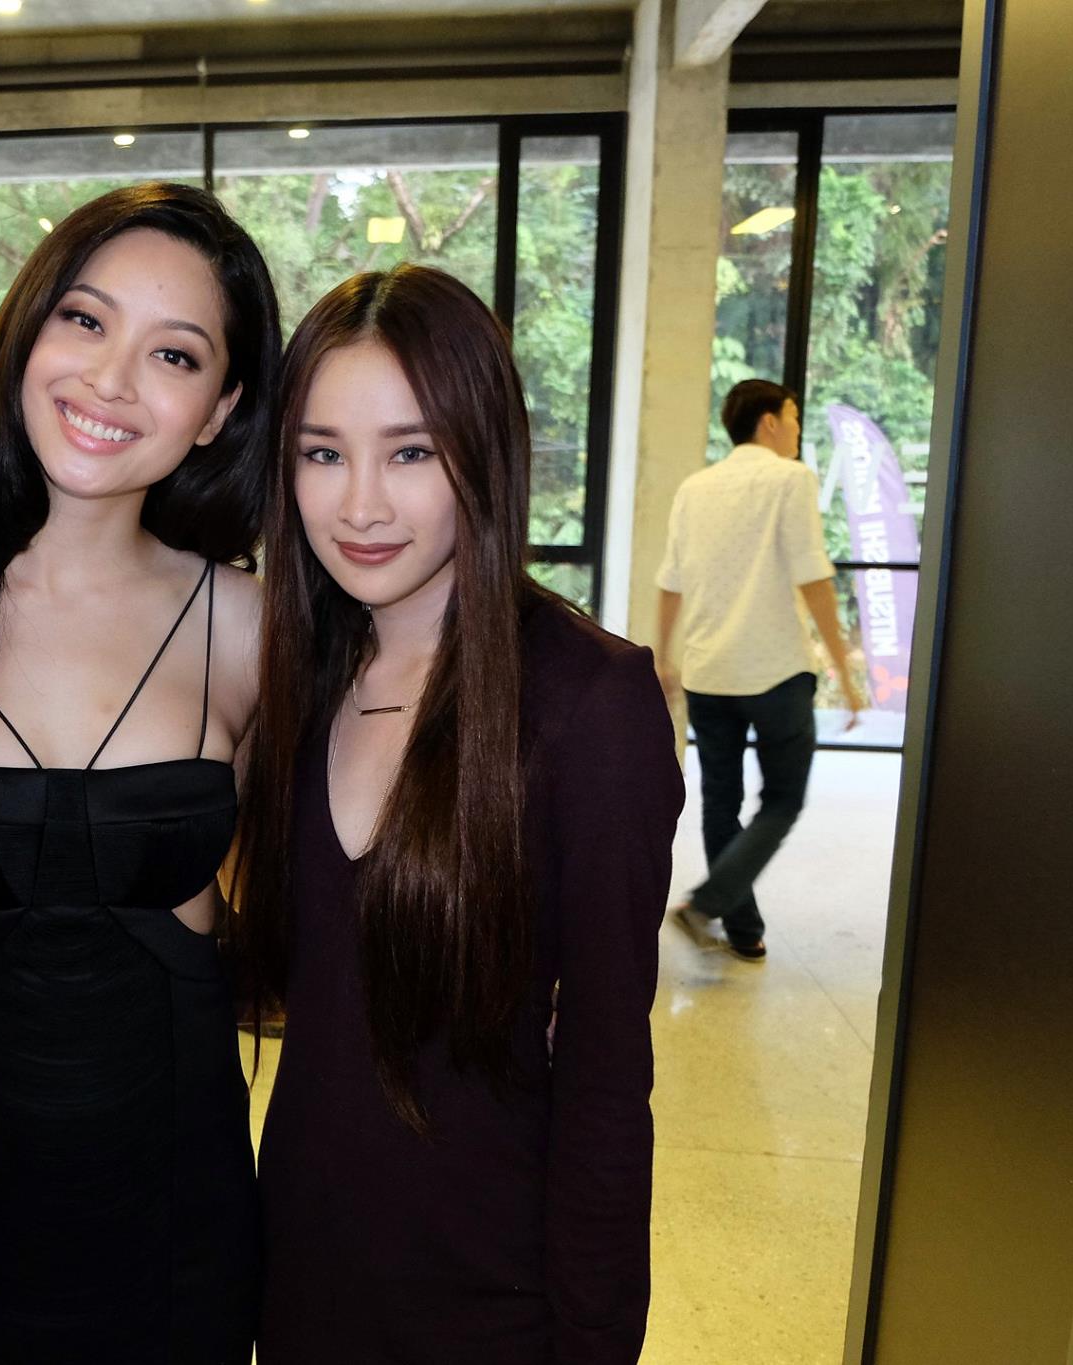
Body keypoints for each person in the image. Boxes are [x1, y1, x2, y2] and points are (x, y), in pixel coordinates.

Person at [234, 265, 683, 1363]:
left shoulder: (586, 701)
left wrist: (592, 1343)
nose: (360, 506)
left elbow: (606, 1078)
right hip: (298, 1278)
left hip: (489, 1306)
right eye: (322, 454)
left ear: (481, 451)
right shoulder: (297, 673)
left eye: (410, 452)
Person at [0, 182, 280, 1363]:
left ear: (218, 410)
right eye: (85, 320)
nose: (110, 379)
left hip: (172, 1221)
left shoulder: (248, 627)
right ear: (26, 329)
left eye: (174, 354)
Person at [656, 377, 866, 961]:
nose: (796, 430)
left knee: (719, 803)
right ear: (769, 422)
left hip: (708, 672)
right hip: (776, 672)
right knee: (783, 799)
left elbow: (670, 581)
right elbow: (813, 576)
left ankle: (742, 931)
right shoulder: (791, 479)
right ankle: (708, 904)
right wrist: (844, 671)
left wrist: (664, 656)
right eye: (793, 418)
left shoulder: (695, 488)